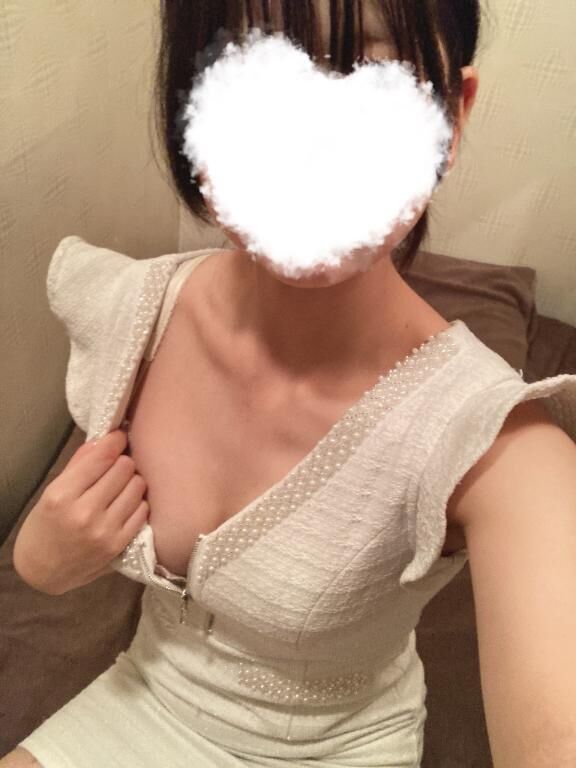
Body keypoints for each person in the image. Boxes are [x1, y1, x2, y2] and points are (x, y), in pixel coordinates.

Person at [6, 1, 576, 766]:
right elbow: (50, 554)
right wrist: (37, 560)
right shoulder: (130, 312)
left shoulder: (495, 445)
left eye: (370, 75)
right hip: (144, 699)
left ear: (452, 116)